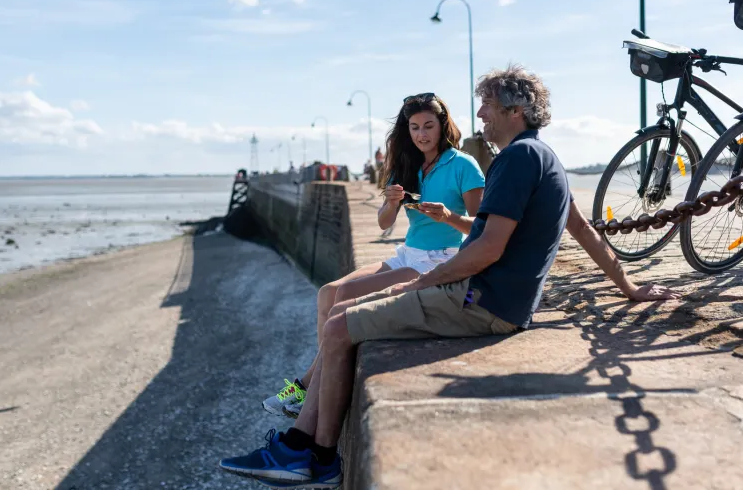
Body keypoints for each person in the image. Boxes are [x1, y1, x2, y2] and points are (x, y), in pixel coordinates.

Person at [219, 65, 680, 487]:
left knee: (339, 326)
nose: (480, 115)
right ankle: (302, 446)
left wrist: (420, 281)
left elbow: (486, 248)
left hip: (481, 300)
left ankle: (313, 456)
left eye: (487, 106)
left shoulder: (516, 160)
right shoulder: (546, 157)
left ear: (514, 111)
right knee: (339, 307)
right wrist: (629, 288)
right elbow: (583, 230)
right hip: (491, 297)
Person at [259, 93, 486, 420]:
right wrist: (392, 203)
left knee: (344, 300)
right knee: (327, 293)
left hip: (440, 260)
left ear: (442, 126)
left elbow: (480, 227)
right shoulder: (407, 164)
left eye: (428, 126)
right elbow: (383, 223)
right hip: (407, 254)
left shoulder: (463, 164)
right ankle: (321, 381)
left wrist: (448, 215)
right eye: (414, 127)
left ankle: (307, 386)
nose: (421, 134)